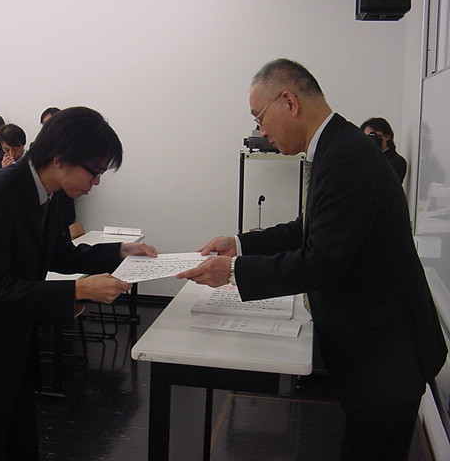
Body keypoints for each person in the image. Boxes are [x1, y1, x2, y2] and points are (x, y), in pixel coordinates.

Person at [177, 59, 447, 461]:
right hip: (378, 348)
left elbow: (320, 262)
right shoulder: (338, 146)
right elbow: (309, 229)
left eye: (260, 118)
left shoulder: (345, 156)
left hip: (388, 355)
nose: (261, 132)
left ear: (289, 102)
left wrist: (232, 271)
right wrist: (240, 244)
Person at [0, 106, 158, 460]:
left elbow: (58, 253)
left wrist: (119, 251)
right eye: (95, 171)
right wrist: (79, 290)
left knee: (20, 444)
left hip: (13, 344)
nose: (96, 182)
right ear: (61, 159)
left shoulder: (45, 193)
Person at [360, 117, 407, 183]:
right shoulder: (364, 159)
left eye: (373, 135)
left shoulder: (397, 161)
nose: (370, 140)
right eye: (367, 137)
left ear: (387, 136)